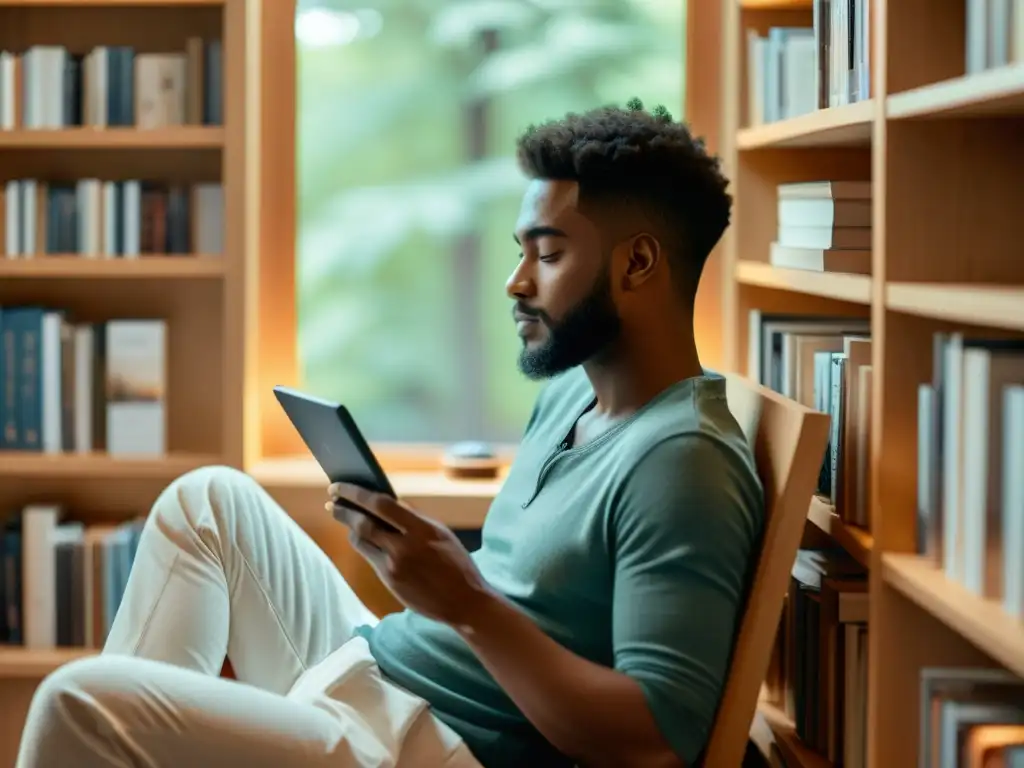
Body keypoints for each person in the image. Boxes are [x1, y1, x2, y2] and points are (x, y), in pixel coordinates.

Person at [15, 99, 763, 768]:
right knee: (208, 503)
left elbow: (654, 740)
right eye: (521, 250)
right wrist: (441, 583)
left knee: (81, 701)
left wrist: (465, 601)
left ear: (637, 263)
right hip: (387, 676)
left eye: (549, 253)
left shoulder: (685, 461)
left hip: (435, 742)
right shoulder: (574, 392)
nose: (516, 280)